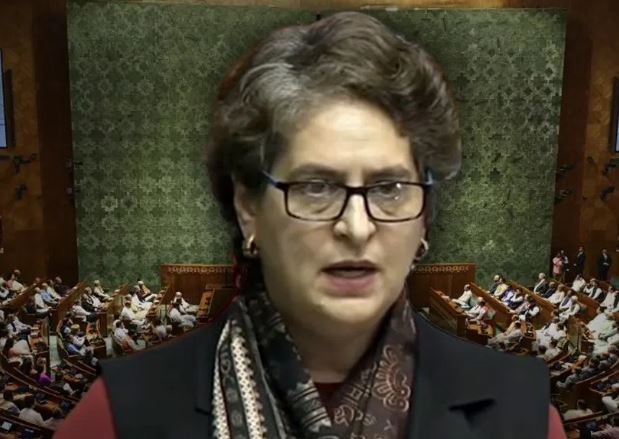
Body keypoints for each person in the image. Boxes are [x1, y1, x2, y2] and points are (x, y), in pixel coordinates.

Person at [55, 12, 565, 439]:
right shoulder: (119, 417)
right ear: (248, 206)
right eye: (316, 187)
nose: (357, 228)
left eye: (389, 188)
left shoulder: (521, 415)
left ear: (424, 214)